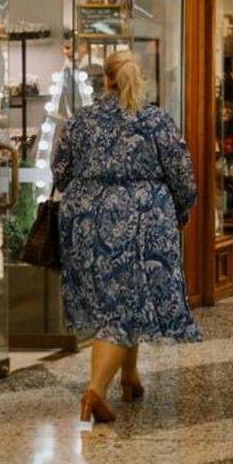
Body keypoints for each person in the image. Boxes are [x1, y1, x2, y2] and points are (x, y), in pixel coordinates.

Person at [55, 49, 200, 426]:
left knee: (119, 300)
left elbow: (60, 171)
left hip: (85, 221)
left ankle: (129, 375)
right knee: (124, 305)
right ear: (140, 79)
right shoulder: (155, 121)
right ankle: (95, 393)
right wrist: (181, 209)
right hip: (142, 220)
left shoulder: (80, 122)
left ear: (105, 80)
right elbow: (181, 173)